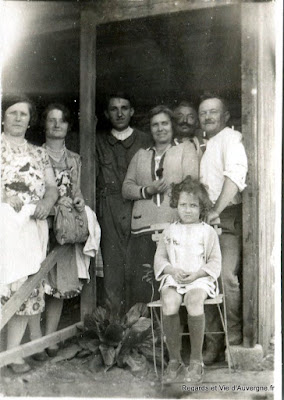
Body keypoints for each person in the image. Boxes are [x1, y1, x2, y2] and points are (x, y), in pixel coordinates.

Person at [0, 95, 58, 373]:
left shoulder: (38, 153)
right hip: (4, 226)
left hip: (31, 225)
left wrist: (47, 203)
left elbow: (52, 187)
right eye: (13, 113)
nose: (18, 118)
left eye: (23, 114)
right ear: (3, 116)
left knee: (27, 283)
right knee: (7, 283)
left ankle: (14, 353)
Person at [122, 105, 199, 309]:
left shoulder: (185, 149)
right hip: (143, 229)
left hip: (174, 227)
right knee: (144, 282)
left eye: (164, 123)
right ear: (150, 128)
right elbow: (126, 188)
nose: (160, 128)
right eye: (155, 124)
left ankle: (169, 331)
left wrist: (174, 190)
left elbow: (193, 183)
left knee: (173, 282)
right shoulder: (140, 155)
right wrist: (148, 190)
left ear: (172, 126)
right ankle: (145, 334)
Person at [42, 103, 101, 356]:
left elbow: (77, 192)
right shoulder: (37, 155)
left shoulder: (74, 159)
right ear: (44, 124)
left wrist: (78, 200)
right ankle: (33, 339)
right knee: (35, 281)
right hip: (41, 222)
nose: (57, 124)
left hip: (64, 227)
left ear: (68, 126)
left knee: (57, 284)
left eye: (62, 120)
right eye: (51, 120)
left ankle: (49, 339)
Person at [154, 176, 221, 383]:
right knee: (170, 301)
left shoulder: (207, 232)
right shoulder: (170, 230)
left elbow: (214, 261)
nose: (188, 210)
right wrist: (172, 271)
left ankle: (196, 361)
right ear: (176, 204)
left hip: (199, 279)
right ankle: (174, 360)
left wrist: (198, 274)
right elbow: (160, 258)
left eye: (193, 205)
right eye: (183, 205)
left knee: (193, 300)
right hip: (176, 277)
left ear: (202, 207)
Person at [198, 92, 248, 363]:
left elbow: (235, 176)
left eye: (213, 111)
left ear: (225, 116)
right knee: (206, 278)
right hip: (207, 220)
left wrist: (216, 211)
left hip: (227, 217)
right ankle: (214, 343)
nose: (207, 116)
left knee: (226, 276)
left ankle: (235, 341)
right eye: (203, 112)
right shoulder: (207, 146)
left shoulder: (231, 138)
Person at [96, 92, 150, 319]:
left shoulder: (145, 140)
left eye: (124, 108)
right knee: (113, 264)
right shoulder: (98, 141)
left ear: (132, 112)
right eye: (114, 108)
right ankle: (113, 324)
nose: (119, 113)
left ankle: (139, 322)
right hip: (109, 206)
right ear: (107, 113)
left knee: (139, 261)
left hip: (139, 205)